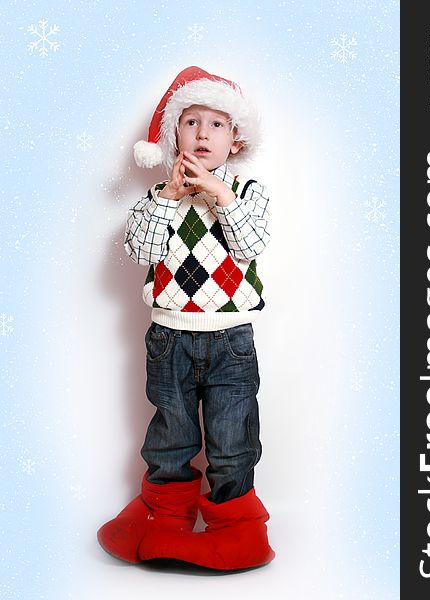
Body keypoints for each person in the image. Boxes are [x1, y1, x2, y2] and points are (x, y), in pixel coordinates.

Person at [97, 66, 275, 570]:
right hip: (169, 338)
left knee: (232, 435)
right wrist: (171, 199)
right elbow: (141, 249)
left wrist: (221, 196)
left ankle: (237, 527)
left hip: (231, 340)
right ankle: (164, 516)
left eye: (216, 124)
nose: (202, 133)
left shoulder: (248, 192)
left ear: (235, 140)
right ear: (174, 135)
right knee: (171, 430)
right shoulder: (160, 197)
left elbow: (251, 245)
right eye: (190, 122)